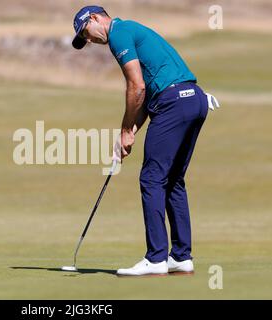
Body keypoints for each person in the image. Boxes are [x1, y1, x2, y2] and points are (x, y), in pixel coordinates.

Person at [72, 6, 218, 276]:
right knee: (173, 179)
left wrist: (126, 129)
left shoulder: (119, 33)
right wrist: (128, 133)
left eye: (86, 33)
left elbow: (136, 86)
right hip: (194, 99)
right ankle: (181, 257)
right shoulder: (133, 30)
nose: (89, 40)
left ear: (94, 18)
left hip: (173, 103)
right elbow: (147, 98)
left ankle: (156, 258)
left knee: (152, 178)